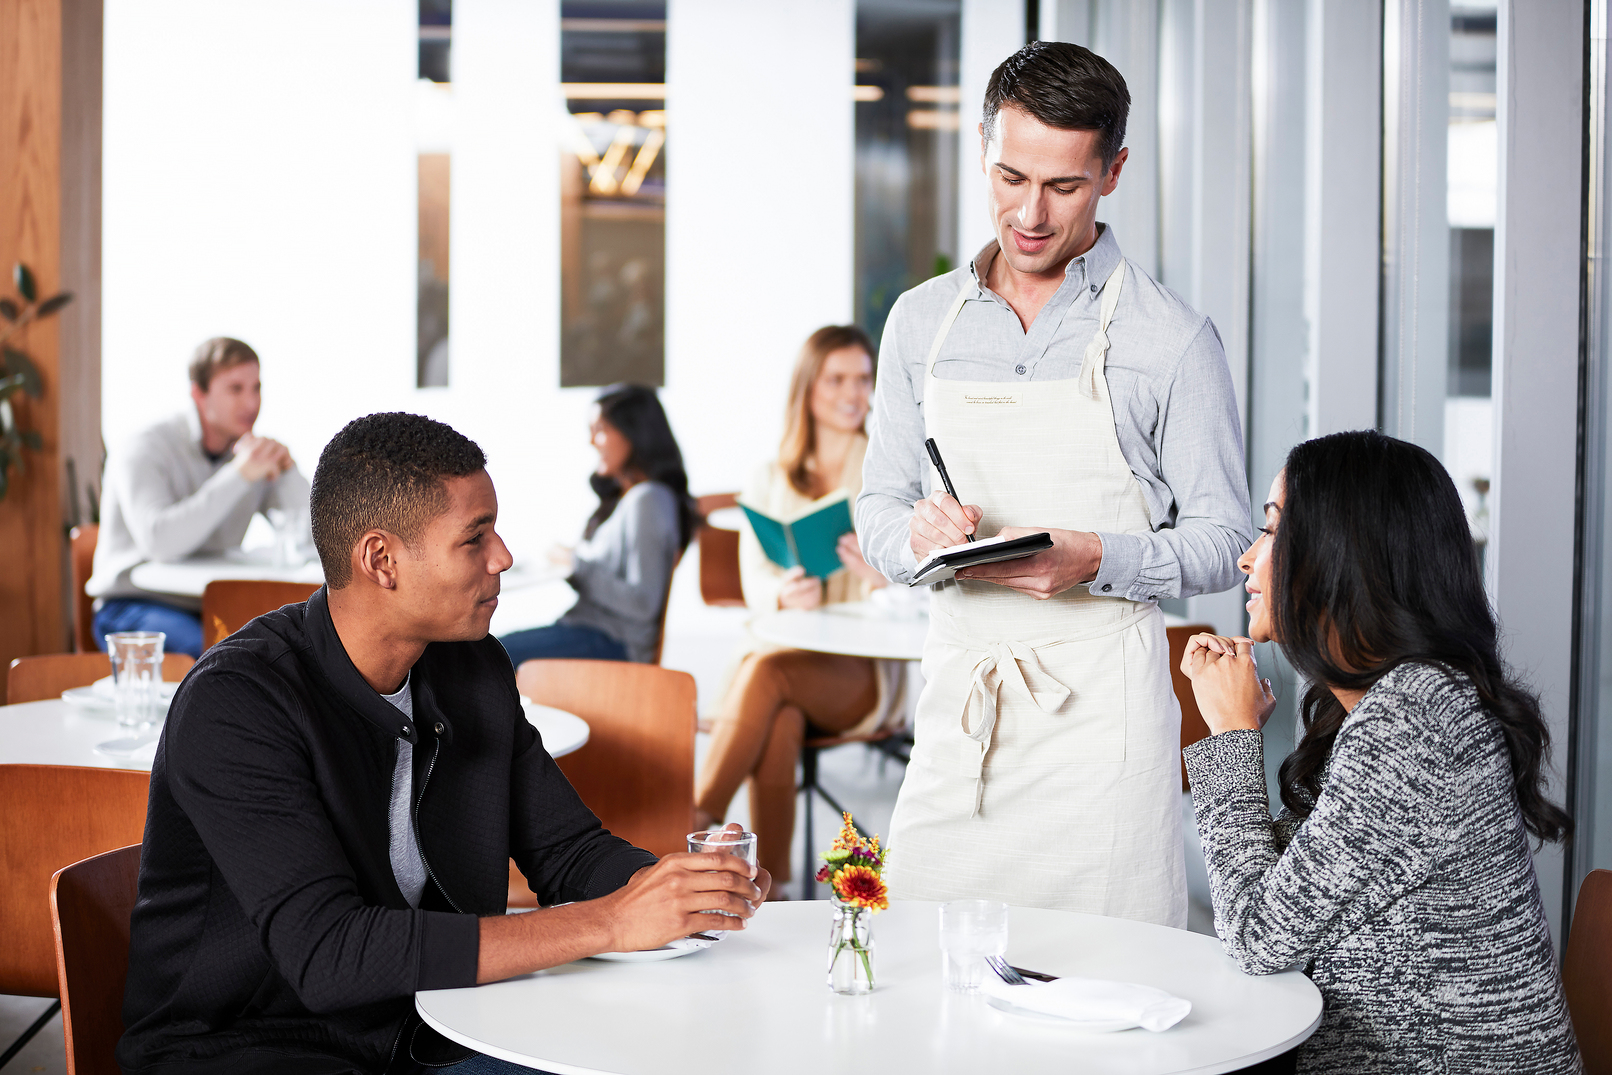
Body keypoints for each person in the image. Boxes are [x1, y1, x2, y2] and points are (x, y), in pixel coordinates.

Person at [118, 412, 769, 1075]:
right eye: (474, 537)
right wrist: (610, 922)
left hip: (429, 1023)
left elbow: (567, 850)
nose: (503, 556)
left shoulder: (471, 668)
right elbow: (329, 954)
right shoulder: (238, 701)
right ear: (382, 560)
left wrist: (682, 889)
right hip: (254, 1049)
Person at [855, 41, 1251, 923]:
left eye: (1064, 186)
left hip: (1103, 727)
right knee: (924, 963)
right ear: (984, 151)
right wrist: (915, 537)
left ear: (1113, 171)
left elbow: (1227, 537)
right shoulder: (920, 322)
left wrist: (1097, 558)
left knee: (1105, 969)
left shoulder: (1173, 339)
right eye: (1010, 177)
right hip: (961, 711)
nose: (1030, 214)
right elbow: (877, 503)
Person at [1180, 430, 1580, 1074]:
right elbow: (1293, 891)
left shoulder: (1417, 719)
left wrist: (1231, 736)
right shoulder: (1399, 701)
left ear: (1342, 556)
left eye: (1273, 530)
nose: (1247, 559)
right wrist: (1236, 732)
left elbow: (1256, 937)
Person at [693, 326, 907, 889]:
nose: (853, 393)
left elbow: (920, 584)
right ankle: (774, 889)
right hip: (788, 662)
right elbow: (755, 582)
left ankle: (692, 819)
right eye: (837, 379)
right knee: (780, 719)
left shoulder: (888, 472)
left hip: (858, 675)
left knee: (768, 673)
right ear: (808, 388)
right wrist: (784, 594)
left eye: (862, 379)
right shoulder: (767, 477)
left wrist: (877, 577)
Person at [86, 337, 309, 657]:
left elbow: (313, 538)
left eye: (256, 388)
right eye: (235, 389)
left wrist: (287, 471)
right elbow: (160, 543)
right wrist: (238, 475)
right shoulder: (144, 447)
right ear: (199, 394)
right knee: (219, 657)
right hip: (135, 602)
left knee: (287, 650)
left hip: (210, 603)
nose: (251, 403)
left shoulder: (250, 454)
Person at [500, 384, 695, 666]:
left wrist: (576, 565)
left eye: (601, 429)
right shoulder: (629, 500)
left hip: (612, 642)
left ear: (634, 433)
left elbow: (642, 604)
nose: (592, 442)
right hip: (593, 634)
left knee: (484, 657)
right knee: (484, 652)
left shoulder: (648, 499)